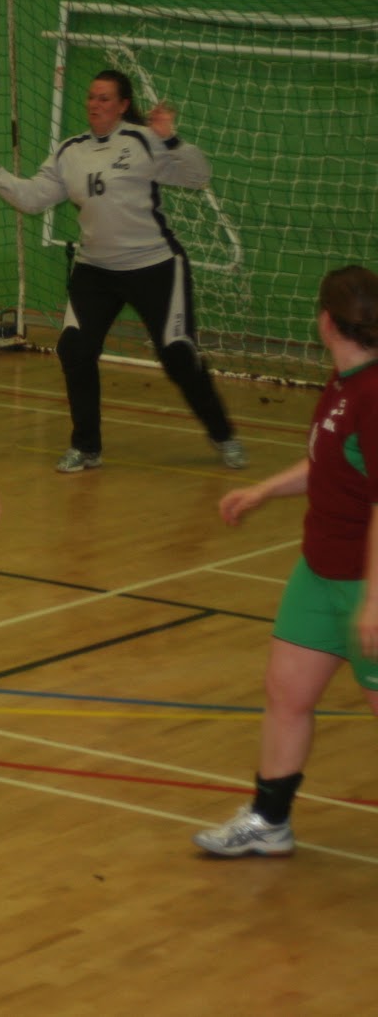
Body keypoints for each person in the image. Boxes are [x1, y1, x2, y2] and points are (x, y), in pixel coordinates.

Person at [0, 69, 245, 474]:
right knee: (74, 350)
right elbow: (32, 198)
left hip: (155, 265)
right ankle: (86, 447)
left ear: (123, 105)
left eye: (105, 99)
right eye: (91, 97)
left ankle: (223, 435)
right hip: (96, 270)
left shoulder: (143, 141)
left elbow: (199, 176)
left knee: (178, 356)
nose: (95, 105)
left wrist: (170, 138)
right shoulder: (69, 151)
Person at [193, 266, 378, 856]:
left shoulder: (374, 394)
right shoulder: (344, 382)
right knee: (286, 692)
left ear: (325, 320)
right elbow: (331, 463)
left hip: (365, 582)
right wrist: (263, 491)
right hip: (319, 573)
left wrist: (374, 598)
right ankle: (269, 820)